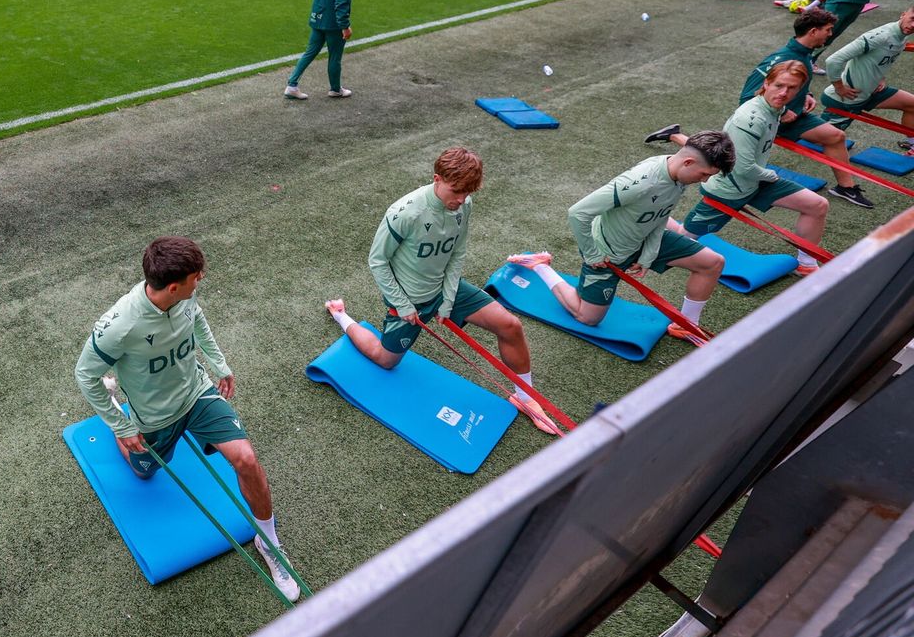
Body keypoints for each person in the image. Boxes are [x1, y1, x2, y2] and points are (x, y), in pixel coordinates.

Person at [74, 236, 301, 602]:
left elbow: (198, 321)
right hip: (153, 415)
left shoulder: (185, 296)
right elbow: (84, 374)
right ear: (175, 285)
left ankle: (268, 541)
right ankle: (117, 403)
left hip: (196, 393)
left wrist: (220, 364)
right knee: (143, 470)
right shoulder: (119, 324)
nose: (203, 280)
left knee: (245, 459)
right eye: (198, 276)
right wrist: (122, 425)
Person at [329, 146, 560, 432]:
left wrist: (448, 300)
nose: (461, 200)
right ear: (437, 178)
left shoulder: (464, 204)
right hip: (408, 301)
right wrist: (403, 305)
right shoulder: (407, 212)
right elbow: (377, 262)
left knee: (510, 326)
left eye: (468, 193)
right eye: (456, 191)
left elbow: (457, 253)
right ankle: (340, 314)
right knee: (385, 360)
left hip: (443, 289)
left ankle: (526, 398)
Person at [507, 131, 736, 344]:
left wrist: (648, 255)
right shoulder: (641, 182)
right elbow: (578, 213)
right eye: (704, 174)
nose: (704, 181)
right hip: (607, 252)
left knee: (712, 263)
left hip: (643, 237)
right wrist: (592, 253)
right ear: (688, 162)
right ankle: (539, 266)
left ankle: (687, 326)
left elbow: (661, 215)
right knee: (588, 317)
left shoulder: (680, 175)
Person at [682, 60, 830, 274]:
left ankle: (807, 263)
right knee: (685, 238)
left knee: (817, 205)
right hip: (729, 189)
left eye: (792, 88)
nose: (784, 93)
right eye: (779, 85)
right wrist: (770, 174)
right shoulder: (749, 118)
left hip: (754, 181)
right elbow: (742, 168)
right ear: (766, 83)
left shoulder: (775, 108)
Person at [737, 6, 869, 208]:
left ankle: (846, 188)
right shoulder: (783, 59)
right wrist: (781, 111)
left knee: (836, 136)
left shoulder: (805, 54)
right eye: (828, 29)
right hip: (772, 121)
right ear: (813, 31)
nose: (831, 33)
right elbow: (747, 98)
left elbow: (795, 83)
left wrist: (806, 94)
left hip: (794, 116)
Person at [821, 6, 914, 150]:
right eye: (912, 19)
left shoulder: (901, 35)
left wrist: (881, 78)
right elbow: (833, 61)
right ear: (903, 15)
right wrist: (839, 87)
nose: (913, 25)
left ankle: (912, 143)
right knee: (822, 141)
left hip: (873, 92)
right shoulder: (881, 36)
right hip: (849, 99)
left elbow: (880, 60)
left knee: (912, 104)